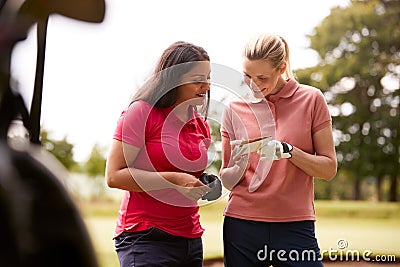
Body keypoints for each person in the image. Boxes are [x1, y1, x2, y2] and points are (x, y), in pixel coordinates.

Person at [220, 33, 337, 266]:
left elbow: (328, 169)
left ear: (281, 68)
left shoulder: (311, 100)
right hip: (242, 226)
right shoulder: (234, 109)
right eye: (246, 76)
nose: (253, 85)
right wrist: (240, 164)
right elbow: (227, 179)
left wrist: (288, 150)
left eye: (262, 77)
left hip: (295, 226)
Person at [105, 41, 213, 267]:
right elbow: (114, 176)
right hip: (145, 237)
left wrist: (202, 184)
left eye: (208, 77)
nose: (206, 86)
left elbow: (185, 175)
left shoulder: (200, 124)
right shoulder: (142, 112)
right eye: (197, 79)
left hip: (190, 239)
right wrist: (173, 180)